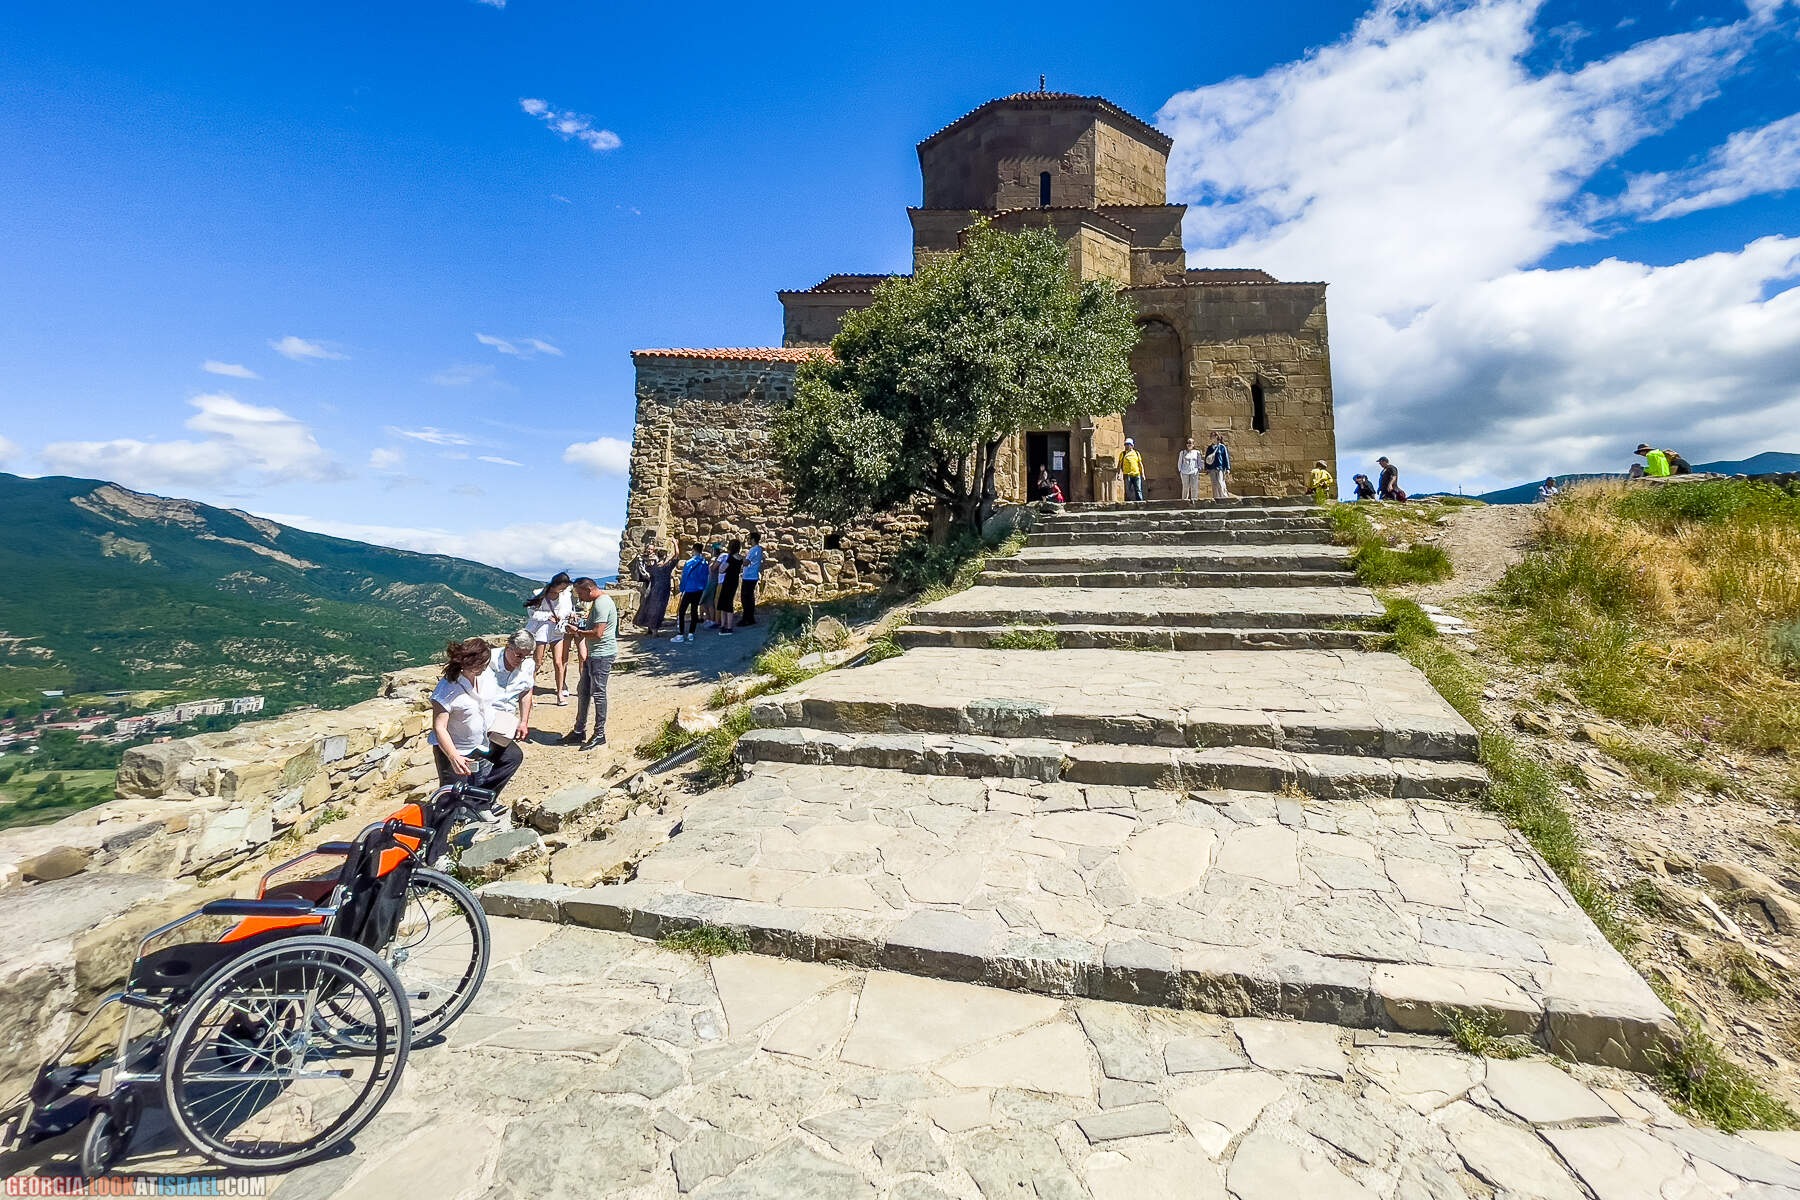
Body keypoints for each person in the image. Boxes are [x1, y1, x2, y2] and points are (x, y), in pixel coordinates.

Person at [428, 638, 522, 822]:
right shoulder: (447, 689)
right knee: (451, 797)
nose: (480, 670)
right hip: (456, 749)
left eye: (483, 665)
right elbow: (439, 727)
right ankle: (435, 843)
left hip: (483, 740)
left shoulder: (484, 676)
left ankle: (479, 803)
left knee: (512, 757)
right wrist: (453, 756)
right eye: (476, 666)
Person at [561, 578, 618, 751]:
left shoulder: (601, 603)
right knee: (583, 691)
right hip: (594, 654)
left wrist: (577, 631)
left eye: (580, 594)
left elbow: (598, 633)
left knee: (598, 693)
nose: (579, 598)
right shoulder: (599, 602)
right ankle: (579, 730)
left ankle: (599, 734)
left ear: (588, 589)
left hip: (602, 655)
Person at [523, 572, 573, 705]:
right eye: (560, 587)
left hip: (557, 630)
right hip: (542, 630)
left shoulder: (565, 595)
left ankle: (560, 693)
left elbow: (567, 609)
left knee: (558, 661)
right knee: (537, 662)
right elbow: (532, 613)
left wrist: (562, 615)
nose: (562, 590)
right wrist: (548, 616)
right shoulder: (540, 594)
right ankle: (530, 693)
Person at [482, 630, 538, 750]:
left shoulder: (528, 664)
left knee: (508, 758)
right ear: (508, 647)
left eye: (526, 656)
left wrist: (524, 722)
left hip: (507, 721)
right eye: (519, 655)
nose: (521, 660)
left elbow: (526, 691)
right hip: (485, 718)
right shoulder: (487, 661)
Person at [634, 545, 674, 637]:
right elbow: (642, 570)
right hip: (647, 583)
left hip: (655, 584)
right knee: (646, 606)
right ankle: (649, 629)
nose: (650, 551)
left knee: (653, 607)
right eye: (648, 549)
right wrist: (648, 576)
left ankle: (653, 629)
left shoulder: (656, 559)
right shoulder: (641, 558)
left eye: (651, 549)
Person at [676, 543, 708, 642]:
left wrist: (682, 589)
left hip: (689, 589)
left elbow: (685, 576)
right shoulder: (704, 562)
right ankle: (691, 634)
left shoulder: (689, 562)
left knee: (681, 612)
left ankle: (680, 634)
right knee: (694, 611)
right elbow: (706, 577)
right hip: (699, 589)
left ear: (694, 550)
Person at [717, 538, 744, 635]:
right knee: (727, 602)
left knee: (725, 604)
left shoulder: (730, 558)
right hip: (734, 581)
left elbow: (721, 570)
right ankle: (725, 625)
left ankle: (727, 627)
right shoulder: (740, 558)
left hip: (728, 581)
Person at [740, 531, 764, 627]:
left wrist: (739, 558)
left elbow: (746, 563)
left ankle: (746, 618)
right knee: (750, 597)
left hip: (749, 576)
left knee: (745, 598)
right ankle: (750, 618)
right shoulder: (759, 549)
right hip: (753, 576)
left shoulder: (753, 550)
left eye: (749, 538)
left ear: (753, 539)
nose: (748, 540)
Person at [1205, 432, 1232, 501]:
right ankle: (1216, 498)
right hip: (1212, 468)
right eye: (1211, 437)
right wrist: (1207, 468)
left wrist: (1228, 468)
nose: (1212, 438)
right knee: (1214, 484)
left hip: (1220, 468)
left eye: (1213, 436)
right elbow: (1207, 458)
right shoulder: (1209, 448)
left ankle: (1223, 497)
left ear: (1217, 437)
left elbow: (1226, 457)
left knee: (1220, 482)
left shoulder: (1222, 447)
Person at [701, 543, 723, 628]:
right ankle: (709, 618)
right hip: (713, 581)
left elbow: (711, 569)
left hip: (711, 582)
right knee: (708, 602)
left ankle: (711, 619)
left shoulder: (714, 559)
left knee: (707, 601)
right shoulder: (719, 559)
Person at [1177, 437, 1204, 503]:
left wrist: (1199, 468)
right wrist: (1180, 470)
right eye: (1188, 443)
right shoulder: (1182, 452)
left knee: (1194, 486)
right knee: (1185, 487)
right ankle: (1184, 501)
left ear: (1193, 444)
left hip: (1194, 472)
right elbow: (1179, 462)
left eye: (1191, 443)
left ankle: (1194, 501)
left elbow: (1199, 461)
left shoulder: (1196, 452)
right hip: (1184, 472)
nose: (1189, 444)